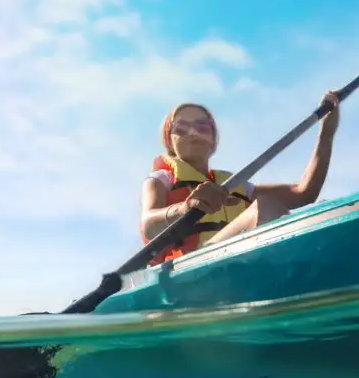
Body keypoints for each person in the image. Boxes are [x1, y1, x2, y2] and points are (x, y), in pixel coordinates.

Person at [139, 91, 341, 266]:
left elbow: (304, 194)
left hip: (232, 259)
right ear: (169, 140)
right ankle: (303, 261)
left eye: (201, 126)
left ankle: (311, 258)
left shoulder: (237, 185)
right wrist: (185, 208)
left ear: (213, 140)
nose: (192, 132)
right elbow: (149, 225)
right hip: (189, 268)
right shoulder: (162, 178)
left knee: (321, 211)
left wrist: (327, 132)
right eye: (181, 127)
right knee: (264, 207)